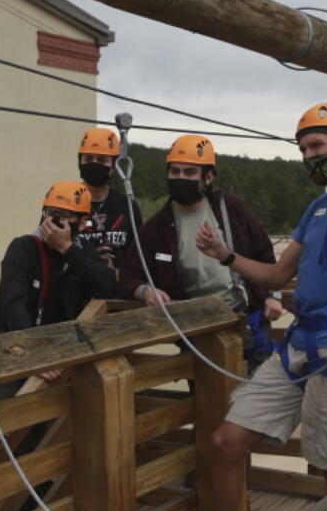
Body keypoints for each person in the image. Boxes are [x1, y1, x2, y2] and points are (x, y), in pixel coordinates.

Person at [157, 103, 327, 511]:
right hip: (298, 345)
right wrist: (225, 255)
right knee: (226, 442)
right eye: (303, 149)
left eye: (316, 145)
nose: (308, 156)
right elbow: (277, 275)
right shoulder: (318, 207)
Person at [118, 135, 282, 369]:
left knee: (261, 391)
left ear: (208, 177)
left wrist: (273, 295)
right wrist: (144, 290)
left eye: (189, 172)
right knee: (206, 399)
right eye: (175, 172)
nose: (180, 178)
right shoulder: (157, 227)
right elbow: (129, 274)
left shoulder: (230, 209)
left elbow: (264, 254)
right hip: (194, 327)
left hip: (244, 317)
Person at [0, 181, 117, 348]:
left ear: (83, 222)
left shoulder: (81, 250)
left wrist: (66, 249)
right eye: (50, 213)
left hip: (57, 348)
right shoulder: (22, 248)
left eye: (64, 215)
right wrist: (36, 351)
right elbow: (13, 304)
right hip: (12, 348)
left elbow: (107, 286)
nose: (53, 221)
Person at [73, 127, 144, 273]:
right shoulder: (66, 202)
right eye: (88, 159)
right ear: (80, 162)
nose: (94, 164)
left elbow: (140, 257)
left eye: (101, 160)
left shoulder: (127, 207)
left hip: (118, 291)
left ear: (114, 166)